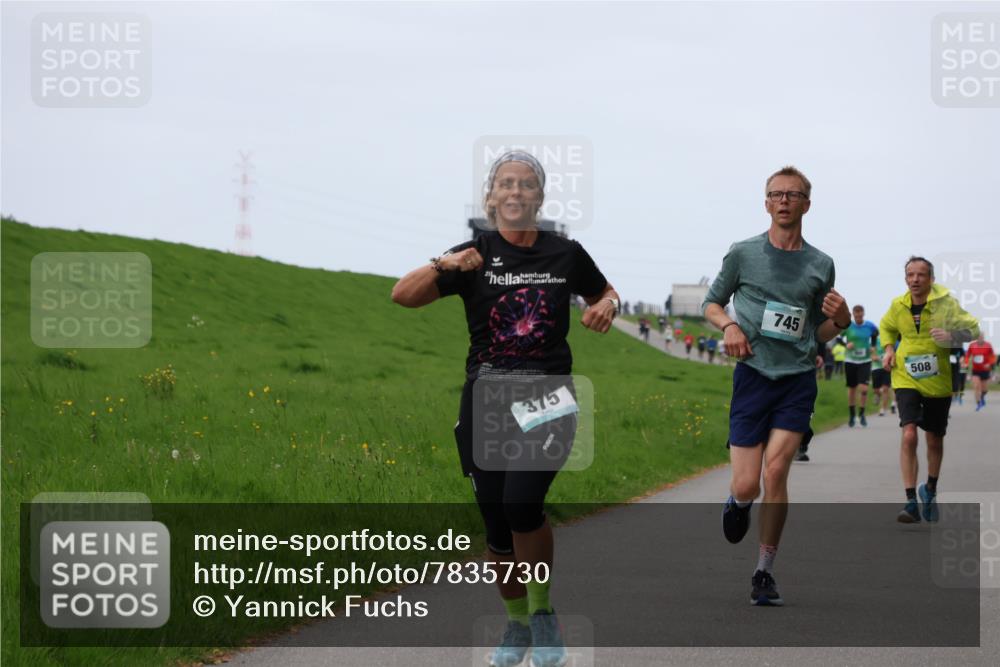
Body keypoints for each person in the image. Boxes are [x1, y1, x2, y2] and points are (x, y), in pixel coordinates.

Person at [391, 151, 618, 667]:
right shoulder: (472, 254)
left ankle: (542, 617)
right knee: (496, 525)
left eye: (527, 185)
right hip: (487, 401)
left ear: (539, 198)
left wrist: (608, 305)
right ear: (491, 198)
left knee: (521, 505)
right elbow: (402, 295)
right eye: (505, 184)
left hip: (547, 395)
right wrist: (441, 264)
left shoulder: (565, 252)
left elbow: (604, 291)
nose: (515, 192)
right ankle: (516, 627)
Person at [703, 165, 850, 606]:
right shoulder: (743, 254)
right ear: (766, 203)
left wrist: (840, 322)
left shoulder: (821, 264)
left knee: (776, 472)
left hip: (797, 378)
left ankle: (764, 571)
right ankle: (737, 502)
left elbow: (818, 332)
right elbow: (711, 303)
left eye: (793, 194)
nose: (784, 200)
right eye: (775, 194)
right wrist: (729, 326)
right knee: (747, 483)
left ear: (807, 203)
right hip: (752, 375)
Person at [880, 256, 979, 524]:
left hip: (937, 380)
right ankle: (910, 500)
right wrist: (889, 350)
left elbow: (973, 329)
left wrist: (952, 337)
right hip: (905, 376)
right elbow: (886, 328)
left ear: (931, 279)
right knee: (909, 433)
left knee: (934, 439)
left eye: (921, 274)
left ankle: (930, 490)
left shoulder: (946, 304)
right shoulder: (897, 305)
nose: (915, 279)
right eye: (910, 274)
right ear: (905, 279)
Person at [843, 305, 879, 427]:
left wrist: (873, 346)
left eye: (860, 315)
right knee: (852, 389)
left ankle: (862, 414)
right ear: (853, 315)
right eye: (856, 315)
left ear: (863, 314)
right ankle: (852, 415)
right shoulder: (848, 326)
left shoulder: (869, 325)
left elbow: (876, 333)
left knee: (864, 389)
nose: (858, 317)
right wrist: (845, 344)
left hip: (865, 360)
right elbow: (838, 338)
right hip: (850, 361)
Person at [966, 333, 996, 411]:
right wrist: (965, 363)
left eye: (982, 337)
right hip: (975, 370)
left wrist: (989, 364)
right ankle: (978, 403)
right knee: (976, 386)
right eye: (979, 337)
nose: (980, 338)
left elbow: (992, 356)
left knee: (984, 389)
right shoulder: (972, 345)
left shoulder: (988, 345)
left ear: (983, 338)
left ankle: (982, 396)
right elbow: (967, 355)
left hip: (985, 370)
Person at [871, 334, 894, 416]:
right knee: (876, 390)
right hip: (876, 368)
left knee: (885, 389)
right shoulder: (874, 342)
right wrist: (873, 357)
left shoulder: (891, 341)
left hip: (886, 368)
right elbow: (870, 353)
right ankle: (877, 394)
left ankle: (882, 409)